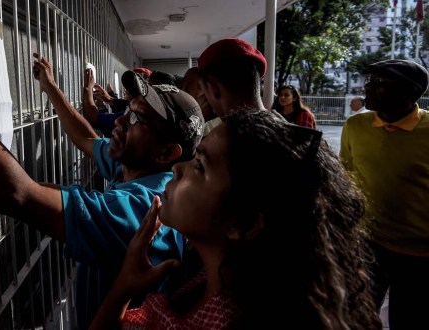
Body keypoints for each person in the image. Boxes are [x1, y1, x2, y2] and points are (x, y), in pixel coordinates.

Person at [0, 14, 203, 329]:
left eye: (138, 119)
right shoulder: (137, 166)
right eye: (128, 110)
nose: (122, 121)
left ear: (167, 152)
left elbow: (17, 195)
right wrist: (49, 86)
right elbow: (84, 136)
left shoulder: (146, 210)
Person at [91, 110, 381, 329]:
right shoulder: (219, 281)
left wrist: (122, 289)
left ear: (244, 224)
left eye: (200, 165)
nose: (178, 169)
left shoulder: (215, 319)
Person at [340, 59, 429, 329]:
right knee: (356, 318)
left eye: (379, 83)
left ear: (409, 92)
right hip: (368, 245)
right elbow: (345, 177)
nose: (367, 87)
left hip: (419, 256)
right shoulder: (355, 126)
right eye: (369, 79)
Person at [196, 38, 268, 126]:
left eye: (204, 92)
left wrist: (199, 120)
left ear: (213, 90)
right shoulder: (287, 130)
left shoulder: (220, 137)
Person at [180, 67, 218, 135]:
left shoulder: (219, 120)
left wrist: (198, 116)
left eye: (189, 83)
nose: (183, 88)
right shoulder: (180, 111)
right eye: (183, 83)